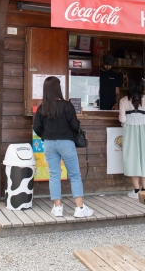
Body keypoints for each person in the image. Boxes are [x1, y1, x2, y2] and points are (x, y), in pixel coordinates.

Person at [33, 77, 94, 218]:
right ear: (58, 88)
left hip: (49, 143)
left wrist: (46, 135)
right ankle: (79, 208)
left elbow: (36, 128)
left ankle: (57, 208)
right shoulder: (67, 106)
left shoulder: (42, 108)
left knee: (54, 174)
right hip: (66, 142)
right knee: (74, 175)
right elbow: (75, 126)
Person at [119, 76, 145, 199]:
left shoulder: (123, 100)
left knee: (132, 158)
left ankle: (136, 191)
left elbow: (122, 119)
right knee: (144, 158)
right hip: (143, 129)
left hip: (130, 130)